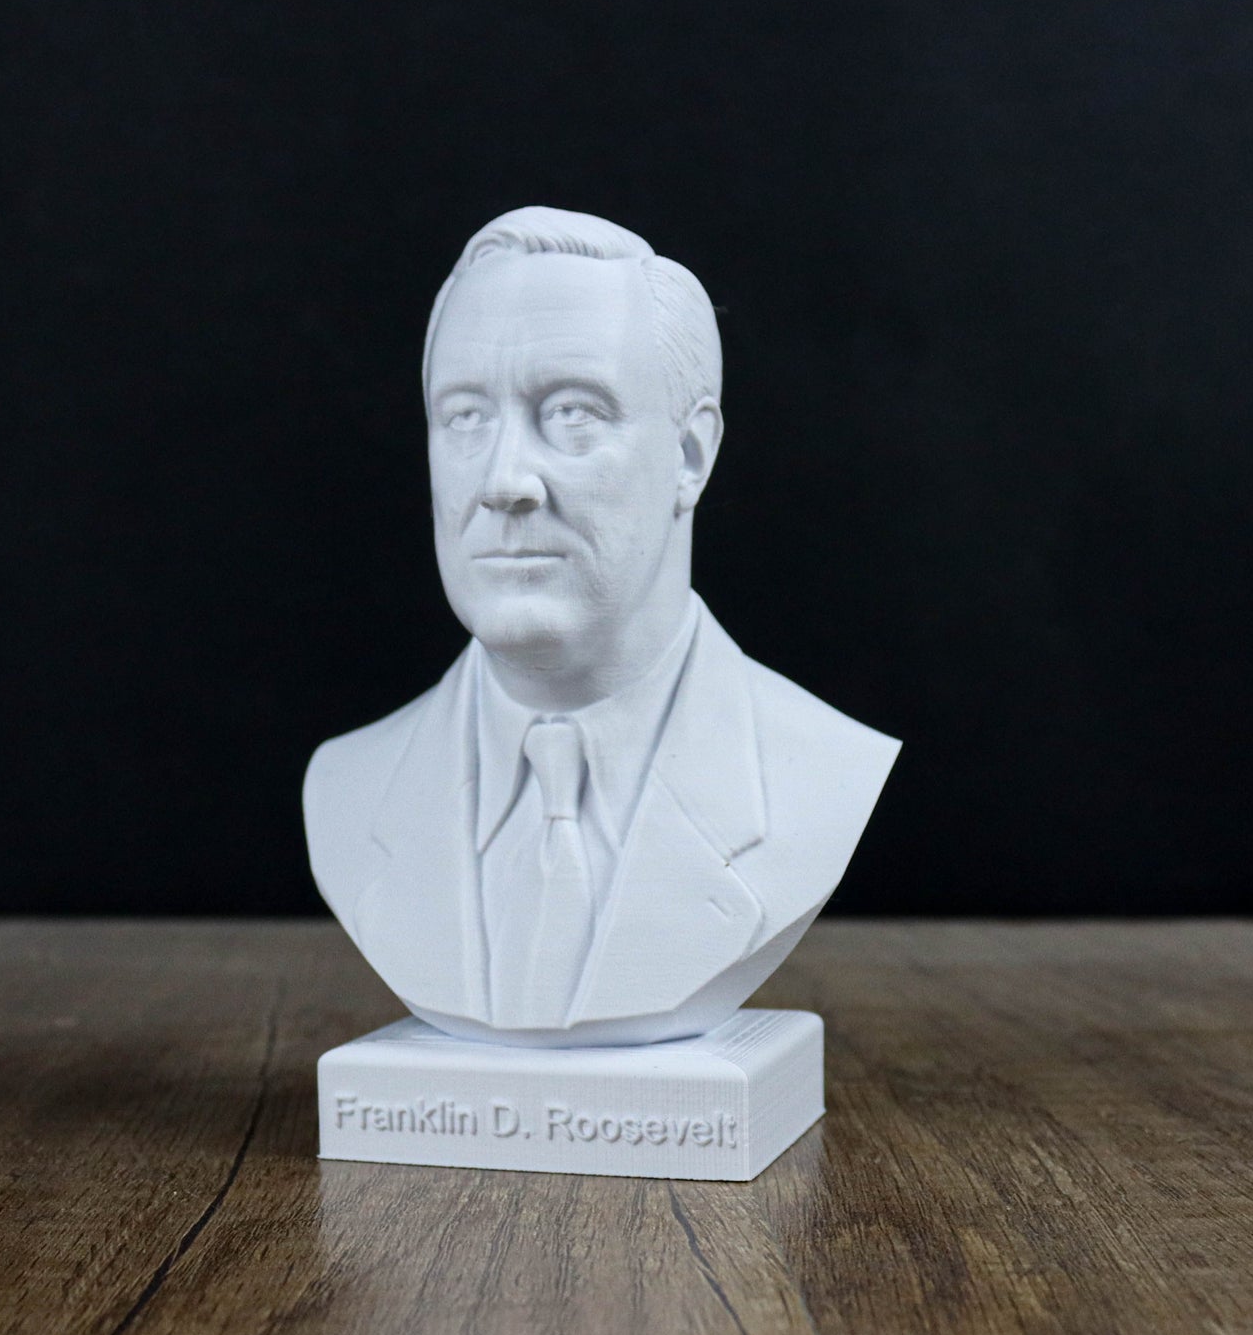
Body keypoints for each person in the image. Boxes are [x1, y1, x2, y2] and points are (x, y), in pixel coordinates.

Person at [304, 207, 898, 1047]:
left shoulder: (823, 772)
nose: (505, 481)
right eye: (466, 416)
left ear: (689, 456)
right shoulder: (349, 785)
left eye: (572, 413)